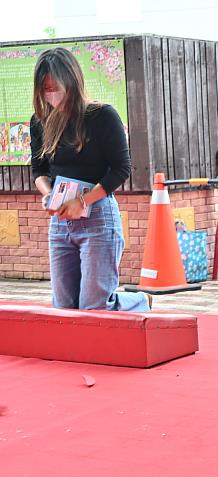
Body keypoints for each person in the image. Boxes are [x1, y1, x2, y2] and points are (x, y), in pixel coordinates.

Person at [30, 48, 150, 312]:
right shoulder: (40, 121)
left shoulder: (102, 116)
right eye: (45, 90)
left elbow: (121, 169)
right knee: (64, 306)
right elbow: (38, 170)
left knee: (94, 307)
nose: (52, 95)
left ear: (72, 82)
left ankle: (138, 301)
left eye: (56, 88)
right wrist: (48, 195)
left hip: (98, 217)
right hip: (60, 221)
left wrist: (82, 201)